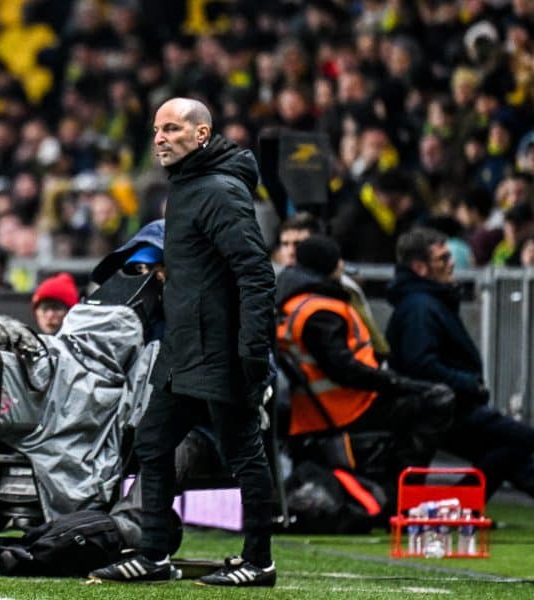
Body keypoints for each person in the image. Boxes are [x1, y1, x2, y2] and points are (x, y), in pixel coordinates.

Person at [91, 98, 278, 587]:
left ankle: (259, 562)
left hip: (219, 352)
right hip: (183, 351)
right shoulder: (189, 187)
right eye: (156, 130)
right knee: (152, 445)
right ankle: (153, 554)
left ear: (201, 135)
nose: (159, 138)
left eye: (172, 129)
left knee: (244, 454)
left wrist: (253, 352)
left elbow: (256, 274)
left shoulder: (218, 190)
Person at [276, 235, 453, 490]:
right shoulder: (319, 310)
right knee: (438, 400)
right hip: (347, 406)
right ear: (328, 264)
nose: (342, 266)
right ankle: (400, 493)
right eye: (338, 261)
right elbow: (346, 371)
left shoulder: (297, 300)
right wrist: (398, 384)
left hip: (333, 404)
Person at [387, 227, 534, 498]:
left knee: (511, 452)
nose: (451, 263)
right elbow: (421, 365)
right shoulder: (421, 307)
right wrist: (469, 384)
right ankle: (460, 506)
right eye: (442, 258)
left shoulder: (426, 302)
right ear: (420, 267)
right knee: (520, 441)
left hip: (449, 405)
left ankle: (459, 507)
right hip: (447, 408)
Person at [273, 212, 390, 359]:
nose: (290, 252)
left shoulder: (342, 286)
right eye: (285, 244)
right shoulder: (274, 286)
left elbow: (374, 341)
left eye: (298, 244)